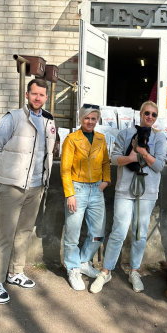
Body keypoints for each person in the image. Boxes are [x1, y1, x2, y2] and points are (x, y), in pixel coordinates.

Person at [0, 78, 57, 304]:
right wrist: (8, 173)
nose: (38, 98)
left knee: (24, 232)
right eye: (34, 94)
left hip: (36, 186)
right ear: (27, 95)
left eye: (42, 95)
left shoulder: (49, 120)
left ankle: (15, 272)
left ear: (46, 98)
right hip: (11, 187)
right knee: (4, 234)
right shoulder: (13, 118)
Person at [90, 101, 167, 294]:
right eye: (146, 113)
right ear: (140, 114)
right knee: (119, 230)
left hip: (147, 192)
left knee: (140, 232)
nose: (149, 117)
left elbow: (159, 166)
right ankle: (106, 270)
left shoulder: (159, 138)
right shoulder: (124, 134)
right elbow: (114, 159)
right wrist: (132, 158)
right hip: (125, 189)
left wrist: (142, 152)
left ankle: (134, 271)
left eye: (153, 115)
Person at [61, 104, 110, 290]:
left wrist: (106, 181)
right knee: (72, 233)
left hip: (97, 190)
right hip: (78, 188)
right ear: (80, 119)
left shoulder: (101, 138)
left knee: (98, 233)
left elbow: (106, 162)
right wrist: (70, 193)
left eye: (93, 118)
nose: (90, 121)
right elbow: (65, 169)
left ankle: (84, 262)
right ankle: (73, 268)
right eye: (87, 118)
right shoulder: (72, 139)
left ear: (97, 120)